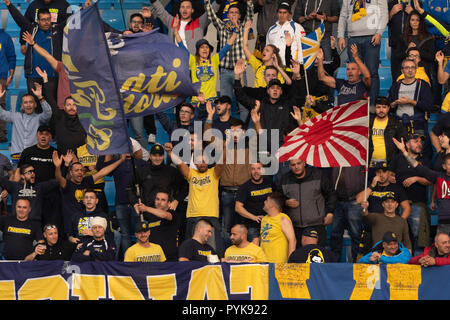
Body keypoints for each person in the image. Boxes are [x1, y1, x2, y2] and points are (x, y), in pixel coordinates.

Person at [167, 143, 225, 257]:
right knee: (192, 252)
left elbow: (222, 161)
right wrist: (170, 152)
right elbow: (179, 164)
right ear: (195, 163)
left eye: (204, 161)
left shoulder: (214, 173)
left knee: (214, 253)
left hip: (211, 216)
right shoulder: (191, 173)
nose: (202, 164)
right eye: (199, 161)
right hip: (193, 217)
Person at [52, 150, 126, 237]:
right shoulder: (67, 184)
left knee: (115, 235)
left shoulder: (86, 181)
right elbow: (59, 178)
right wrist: (57, 167)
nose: (80, 172)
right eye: (76, 170)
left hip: (87, 222)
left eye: (81, 170)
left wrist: (121, 160)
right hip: (72, 225)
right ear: (71, 173)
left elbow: (102, 172)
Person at [205, 0, 254, 123]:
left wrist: (249, 3)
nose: (233, 15)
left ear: (239, 15)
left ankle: (242, 131)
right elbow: (211, 15)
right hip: (225, 71)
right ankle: (224, 130)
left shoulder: (244, 27)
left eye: (236, 12)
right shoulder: (221, 27)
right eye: (231, 12)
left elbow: (250, 14)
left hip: (240, 72)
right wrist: (206, 2)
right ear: (228, 15)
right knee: (223, 104)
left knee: (243, 104)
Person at [174, 15, 237, 105]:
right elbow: (181, 46)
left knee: (210, 119)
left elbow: (227, 47)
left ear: (210, 50)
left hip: (211, 101)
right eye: (202, 47)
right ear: (198, 51)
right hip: (196, 101)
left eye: (207, 47)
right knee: (197, 120)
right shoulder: (192, 60)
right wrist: (176, 31)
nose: (205, 49)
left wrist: (235, 33)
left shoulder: (214, 59)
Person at [393, 137, 450, 235]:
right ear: (444, 166)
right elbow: (418, 166)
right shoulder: (438, 176)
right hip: (444, 222)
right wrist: (404, 151)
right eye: (449, 164)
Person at [337, 0, 388, 103]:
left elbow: (384, 13)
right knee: (356, 73)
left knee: (372, 73)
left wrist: (379, 33)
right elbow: (343, 15)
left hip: (372, 36)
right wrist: (341, 35)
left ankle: (372, 105)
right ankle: (358, 104)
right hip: (353, 37)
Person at [277, 158, 337, 247]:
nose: (296, 167)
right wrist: (285, 202)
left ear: (304, 163)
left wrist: (330, 212)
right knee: (297, 258)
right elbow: (278, 198)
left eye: (299, 163)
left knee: (317, 256)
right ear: (289, 166)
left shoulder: (318, 175)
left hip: (316, 225)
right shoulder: (285, 179)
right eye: (293, 165)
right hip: (294, 227)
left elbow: (331, 193)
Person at [99, 151, 147, 256]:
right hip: (121, 203)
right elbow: (105, 169)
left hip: (137, 204)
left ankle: (140, 257)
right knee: (125, 234)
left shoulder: (141, 163)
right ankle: (127, 260)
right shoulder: (117, 163)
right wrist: (110, 152)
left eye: (129, 148)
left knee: (140, 232)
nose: (127, 151)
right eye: (124, 148)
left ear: (133, 149)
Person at [390, 134, 432, 251]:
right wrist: (391, 178)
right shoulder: (398, 158)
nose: (419, 144)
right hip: (399, 204)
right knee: (399, 238)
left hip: (418, 203)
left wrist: (416, 178)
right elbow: (389, 175)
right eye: (415, 141)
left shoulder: (424, 160)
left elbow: (431, 180)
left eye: (420, 142)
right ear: (407, 144)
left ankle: (419, 267)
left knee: (420, 240)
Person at [128, 144, 187, 220]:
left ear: (163, 156)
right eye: (154, 155)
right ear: (150, 156)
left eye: (160, 155)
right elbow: (129, 188)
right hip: (147, 215)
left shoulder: (171, 171)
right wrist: (134, 203)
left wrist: (177, 200)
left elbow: (185, 186)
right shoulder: (141, 171)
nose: (157, 158)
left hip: (166, 214)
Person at [0, 82, 52, 167]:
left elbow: (48, 114)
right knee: (17, 179)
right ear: (22, 106)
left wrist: (40, 98)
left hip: (33, 154)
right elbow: (1, 114)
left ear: (35, 104)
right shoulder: (15, 116)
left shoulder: (39, 118)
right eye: (25, 103)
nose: (28, 105)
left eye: (31, 102)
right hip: (17, 156)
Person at [388, 58, 433, 144]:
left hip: (417, 124)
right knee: (399, 152)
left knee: (418, 152)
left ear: (416, 70)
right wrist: (394, 104)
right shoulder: (395, 86)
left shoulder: (422, 85)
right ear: (402, 70)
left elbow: (429, 106)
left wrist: (410, 101)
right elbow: (389, 107)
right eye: (407, 67)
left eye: (413, 67)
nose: (410, 70)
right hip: (399, 124)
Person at [329, 166, 365, 262]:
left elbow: (370, 151)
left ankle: (357, 262)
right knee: (335, 234)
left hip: (355, 201)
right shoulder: (335, 156)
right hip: (337, 201)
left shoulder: (358, 154)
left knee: (356, 234)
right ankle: (334, 263)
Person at [242, 19, 291, 88]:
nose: (264, 52)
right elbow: (245, 48)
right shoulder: (258, 65)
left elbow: (288, 83)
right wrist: (246, 30)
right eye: (264, 50)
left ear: (273, 55)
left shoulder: (278, 70)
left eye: (267, 50)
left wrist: (278, 67)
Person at [235, 161, 273, 244]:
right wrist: (254, 217)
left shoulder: (270, 183)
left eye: (259, 169)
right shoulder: (245, 187)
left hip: (270, 223)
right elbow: (238, 207)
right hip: (252, 225)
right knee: (255, 247)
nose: (256, 172)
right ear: (250, 171)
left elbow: (277, 201)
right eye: (253, 169)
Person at [134, 190, 178, 261]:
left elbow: (164, 215)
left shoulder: (172, 213)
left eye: (163, 200)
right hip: (153, 257)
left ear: (169, 203)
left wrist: (146, 208)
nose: (159, 202)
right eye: (157, 199)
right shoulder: (151, 216)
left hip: (168, 258)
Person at [368, 96, 407, 171]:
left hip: (389, 165)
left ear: (388, 108)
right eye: (378, 107)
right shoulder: (368, 122)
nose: (381, 110)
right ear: (375, 108)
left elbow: (401, 147)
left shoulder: (396, 124)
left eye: (384, 107)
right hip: (369, 163)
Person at [388, 0, 423, 80]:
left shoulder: (417, 3)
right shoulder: (391, 3)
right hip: (396, 44)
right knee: (396, 74)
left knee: (415, 74)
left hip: (414, 43)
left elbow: (423, 23)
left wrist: (413, 13)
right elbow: (383, 23)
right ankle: (396, 91)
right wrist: (391, 13)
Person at [260, 192, 296, 263]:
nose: (264, 202)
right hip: (264, 261)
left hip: (279, 262)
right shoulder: (264, 219)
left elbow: (293, 241)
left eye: (266, 200)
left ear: (271, 204)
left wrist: (289, 262)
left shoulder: (283, 219)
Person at [265, 2, 305, 66]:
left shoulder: (297, 27)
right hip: (274, 67)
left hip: (290, 66)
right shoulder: (271, 29)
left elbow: (302, 47)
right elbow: (267, 48)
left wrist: (301, 65)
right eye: (280, 12)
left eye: (285, 12)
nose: (282, 15)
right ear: (277, 13)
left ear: (289, 14)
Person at [0, 28, 15, 143]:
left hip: (1, 77)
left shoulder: (5, 36)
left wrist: (11, 74)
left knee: (1, 104)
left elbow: (11, 57)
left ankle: (1, 133)